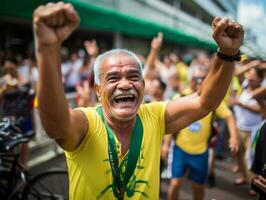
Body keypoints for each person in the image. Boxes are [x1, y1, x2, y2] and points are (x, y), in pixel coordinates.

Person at [33, 2, 244, 199]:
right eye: (113, 78)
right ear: (98, 90)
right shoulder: (86, 124)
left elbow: (203, 101)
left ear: (143, 85)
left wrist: (227, 53)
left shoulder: (155, 116)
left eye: (133, 76)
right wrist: (47, 49)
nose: (125, 84)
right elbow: (56, 125)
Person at [164, 66, 239, 200]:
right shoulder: (181, 96)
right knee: (175, 183)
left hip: (200, 152)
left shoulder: (212, 100)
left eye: (203, 79)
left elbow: (229, 116)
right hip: (180, 149)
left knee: (198, 187)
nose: (199, 81)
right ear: (191, 80)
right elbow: (170, 122)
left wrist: (233, 138)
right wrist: (165, 145)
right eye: (196, 78)